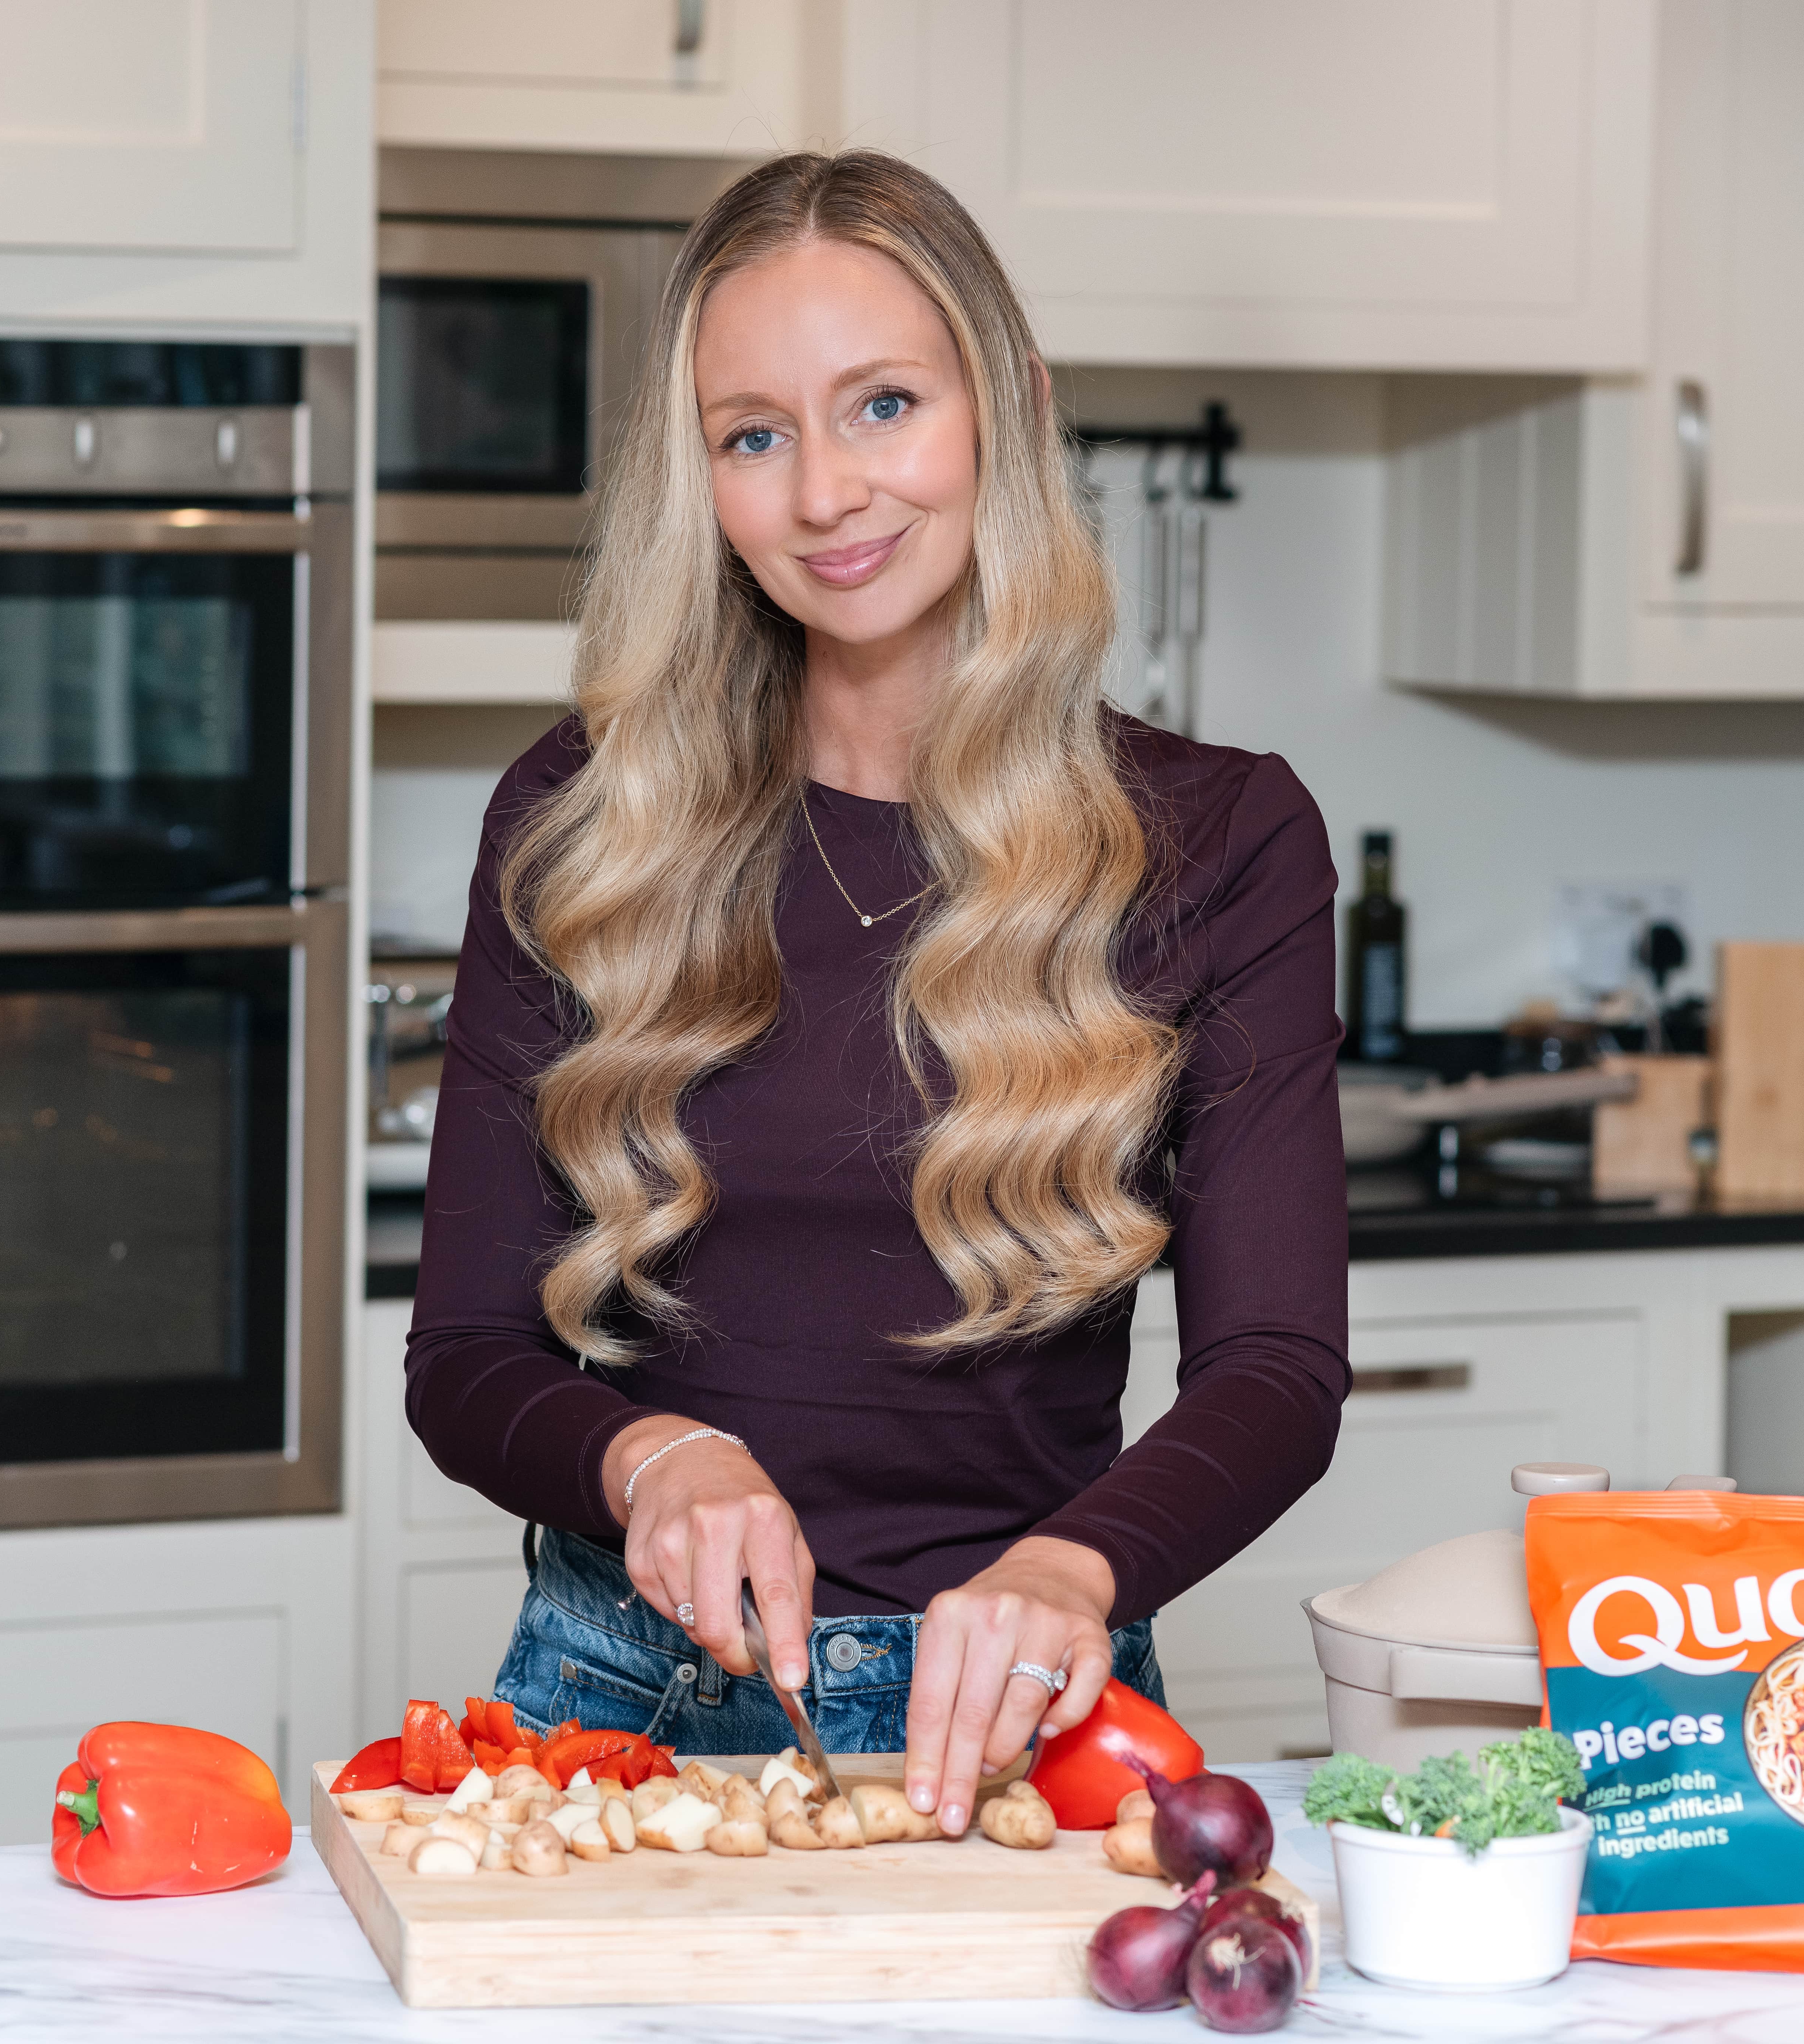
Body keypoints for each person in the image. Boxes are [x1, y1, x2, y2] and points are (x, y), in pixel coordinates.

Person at [406, 150, 1348, 1839]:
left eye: (885, 404)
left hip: (1033, 1726)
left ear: (1009, 407)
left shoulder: (1218, 838)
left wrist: (1074, 1567)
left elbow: (1275, 1367)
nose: (826, 491)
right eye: (752, 434)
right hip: (616, 1713)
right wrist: (650, 1461)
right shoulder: (580, 819)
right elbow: (466, 1357)